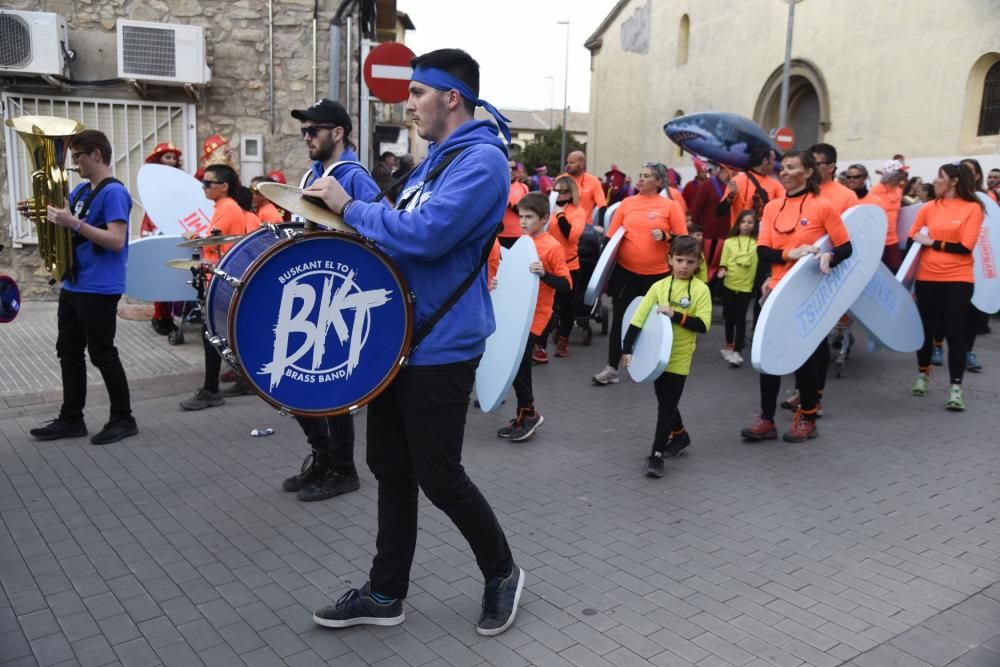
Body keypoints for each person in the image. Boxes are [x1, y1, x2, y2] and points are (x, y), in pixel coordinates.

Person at [303, 48, 524, 636]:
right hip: (400, 338)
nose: (409, 106)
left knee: (439, 475)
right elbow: (398, 229)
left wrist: (351, 205)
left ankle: (502, 572)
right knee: (390, 469)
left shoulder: (481, 163)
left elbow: (426, 236)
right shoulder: (432, 165)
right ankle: (384, 594)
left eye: (417, 94)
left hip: (443, 344)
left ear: (452, 96)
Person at [266, 98, 375, 502]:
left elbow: (379, 227)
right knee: (299, 379)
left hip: (343, 293)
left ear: (338, 133)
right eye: (303, 131)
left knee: (332, 383)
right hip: (314, 290)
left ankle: (343, 469)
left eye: (313, 130)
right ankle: (323, 457)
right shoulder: (315, 172)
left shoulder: (354, 177)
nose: (306, 137)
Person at [25, 129, 138, 445]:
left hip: (100, 286)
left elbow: (116, 240)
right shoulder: (82, 191)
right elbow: (65, 223)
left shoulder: (114, 193)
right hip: (75, 284)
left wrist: (74, 223)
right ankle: (71, 418)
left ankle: (123, 418)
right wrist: (38, 214)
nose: (74, 163)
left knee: (102, 353)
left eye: (78, 157)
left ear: (97, 155)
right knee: (69, 352)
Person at [740, 151, 852, 443]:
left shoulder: (823, 206)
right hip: (776, 291)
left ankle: (808, 417)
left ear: (808, 172)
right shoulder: (773, 206)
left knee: (806, 359)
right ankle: (766, 419)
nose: (784, 172)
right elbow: (762, 251)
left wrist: (829, 255)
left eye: (792, 168)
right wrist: (789, 254)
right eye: (783, 167)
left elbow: (846, 248)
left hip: (806, 293)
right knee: (769, 356)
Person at [622, 235, 711, 478]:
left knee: (666, 406)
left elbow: (703, 325)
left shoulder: (701, 290)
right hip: (656, 356)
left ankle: (656, 456)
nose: (684, 266)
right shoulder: (658, 287)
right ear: (669, 259)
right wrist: (627, 348)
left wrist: (676, 315)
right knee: (665, 401)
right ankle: (680, 436)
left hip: (680, 357)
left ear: (698, 263)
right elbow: (638, 318)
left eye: (690, 261)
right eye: (679, 260)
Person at [593, 162, 687, 386]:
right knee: (620, 320)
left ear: (659, 182)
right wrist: (600, 271)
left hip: (658, 276)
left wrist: (665, 236)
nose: (641, 179)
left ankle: (657, 365)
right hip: (626, 274)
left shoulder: (670, 207)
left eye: (647, 176)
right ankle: (611, 368)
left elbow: (684, 240)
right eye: (641, 174)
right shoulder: (627, 204)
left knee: (657, 321)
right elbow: (611, 238)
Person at [908, 163, 985, 411]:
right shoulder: (929, 207)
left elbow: (965, 246)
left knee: (954, 332)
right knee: (926, 330)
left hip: (958, 278)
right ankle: (923, 374)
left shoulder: (973, 208)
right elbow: (913, 234)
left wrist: (932, 242)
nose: (935, 181)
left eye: (939, 177)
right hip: (927, 276)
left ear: (953, 181)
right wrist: (929, 241)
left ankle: (956, 387)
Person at [497, 193, 571, 442]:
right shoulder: (522, 242)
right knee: (520, 364)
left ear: (544, 218)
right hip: (518, 314)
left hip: (538, 316)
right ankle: (522, 413)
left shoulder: (552, 247)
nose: (523, 222)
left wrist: (544, 274)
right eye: (521, 217)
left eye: (529, 217)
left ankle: (529, 413)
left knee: (518, 364)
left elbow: (567, 285)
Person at [179, 164, 246, 411]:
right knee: (221, 334)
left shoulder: (227, 208)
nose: (204, 187)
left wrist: (191, 238)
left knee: (212, 335)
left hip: (221, 280)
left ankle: (211, 390)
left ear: (224, 186)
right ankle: (234, 381)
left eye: (208, 183)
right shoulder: (223, 207)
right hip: (222, 278)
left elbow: (212, 242)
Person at [140, 142, 185, 336]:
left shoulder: (182, 182)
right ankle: (160, 316)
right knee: (160, 274)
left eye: (174, 158)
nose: (172, 161)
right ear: (159, 159)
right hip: (157, 226)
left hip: (176, 228)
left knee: (175, 274)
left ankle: (174, 314)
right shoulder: (153, 183)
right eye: (168, 157)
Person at [549, 175, 586, 358]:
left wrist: (560, 214)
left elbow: (572, 236)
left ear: (571, 192)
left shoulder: (577, 211)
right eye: (556, 190)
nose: (559, 194)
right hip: (548, 265)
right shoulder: (549, 207)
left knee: (566, 307)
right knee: (546, 306)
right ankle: (538, 345)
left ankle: (564, 339)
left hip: (569, 266)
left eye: (564, 191)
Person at [717, 210, 758, 367]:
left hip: (746, 286)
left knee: (741, 319)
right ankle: (728, 345)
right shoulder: (730, 241)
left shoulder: (757, 243)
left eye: (750, 222)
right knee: (729, 317)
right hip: (729, 283)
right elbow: (724, 261)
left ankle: (737, 351)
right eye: (743, 222)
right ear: (738, 223)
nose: (746, 225)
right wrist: (722, 270)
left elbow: (758, 265)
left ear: (754, 225)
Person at [717, 145, 784, 226]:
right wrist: (730, 196)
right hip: (740, 236)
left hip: (764, 236)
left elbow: (785, 209)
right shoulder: (737, 181)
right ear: (765, 161)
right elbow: (719, 212)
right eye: (773, 160)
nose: (774, 164)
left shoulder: (776, 185)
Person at [863, 159, 908, 272]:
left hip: (893, 240)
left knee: (896, 270)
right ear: (893, 176)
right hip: (877, 242)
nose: (904, 176)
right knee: (877, 273)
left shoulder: (898, 190)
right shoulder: (874, 192)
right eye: (901, 173)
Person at [692, 162, 732, 281]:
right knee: (705, 264)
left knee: (720, 265)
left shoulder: (732, 186)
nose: (729, 175)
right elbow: (696, 209)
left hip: (726, 234)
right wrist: (696, 230)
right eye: (727, 171)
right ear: (719, 169)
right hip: (709, 234)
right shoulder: (706, 185)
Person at [562, 150, 607, 223]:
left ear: (582, 164)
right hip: (562, 225)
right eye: (567, 162)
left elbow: (602, 205)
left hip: (584, 227)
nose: (568, 165)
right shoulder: (561, 180)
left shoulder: (593, 180)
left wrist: (600, 226)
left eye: (572, 163)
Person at [498, 158, 529, 248]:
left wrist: (510, 205)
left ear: (517, 171)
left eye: (513, 168)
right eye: (507, 168)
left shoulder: (523, 187)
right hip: (497, 233)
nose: (510, 171)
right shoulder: (496, 185)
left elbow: (527, 210)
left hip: (517, 234)